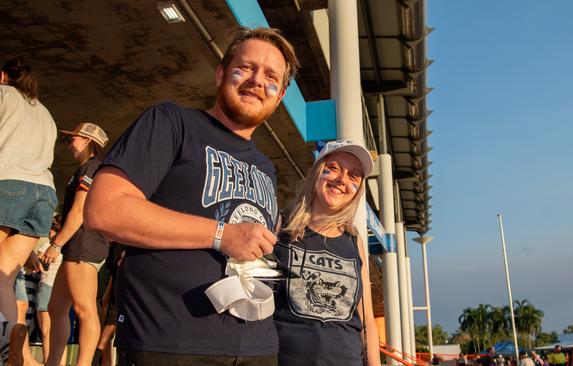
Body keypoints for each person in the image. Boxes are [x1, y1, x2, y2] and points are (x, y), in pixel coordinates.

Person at [83, 27, 299, 366]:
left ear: (280, 95)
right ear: (221, 73)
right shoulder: (171, 123)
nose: (257, 80)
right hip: (171, 342)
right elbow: (104, 210)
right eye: (246, 67)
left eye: (271, 76)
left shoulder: (266, 168)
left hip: (257, 348)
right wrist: (222, 235)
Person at [272, 139, 379, 366]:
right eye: (333, 168)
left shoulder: (355, 240)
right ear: (317, 173)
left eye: (354, 176)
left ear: (357, 191)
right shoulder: (280, 225)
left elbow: (367, 319)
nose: (342, 180)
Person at [0, 56, 58, 366]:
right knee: (3, 277)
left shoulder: (2, 94)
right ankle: (11, 346)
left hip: (7, 183)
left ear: (2, 76)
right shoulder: (45, 113)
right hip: (44, 195)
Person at [41, 122, 110, 366]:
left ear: (87, 141)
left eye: (73, 139)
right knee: (56, 308)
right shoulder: (84, 169)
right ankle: (53, 362)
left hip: (84, 244)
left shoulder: (92, 168)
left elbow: (80, 210)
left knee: (84, 309)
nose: (69, 143)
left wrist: (56, 244)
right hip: (77, 245)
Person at [34, 215, 66, 365]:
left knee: (46, 331)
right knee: (59, 331)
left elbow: (37, 264)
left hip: (47, 286)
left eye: (53, 229)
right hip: (62, 290)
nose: (50, 232)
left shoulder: (48, 244)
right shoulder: (69, 247)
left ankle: (49, 362)